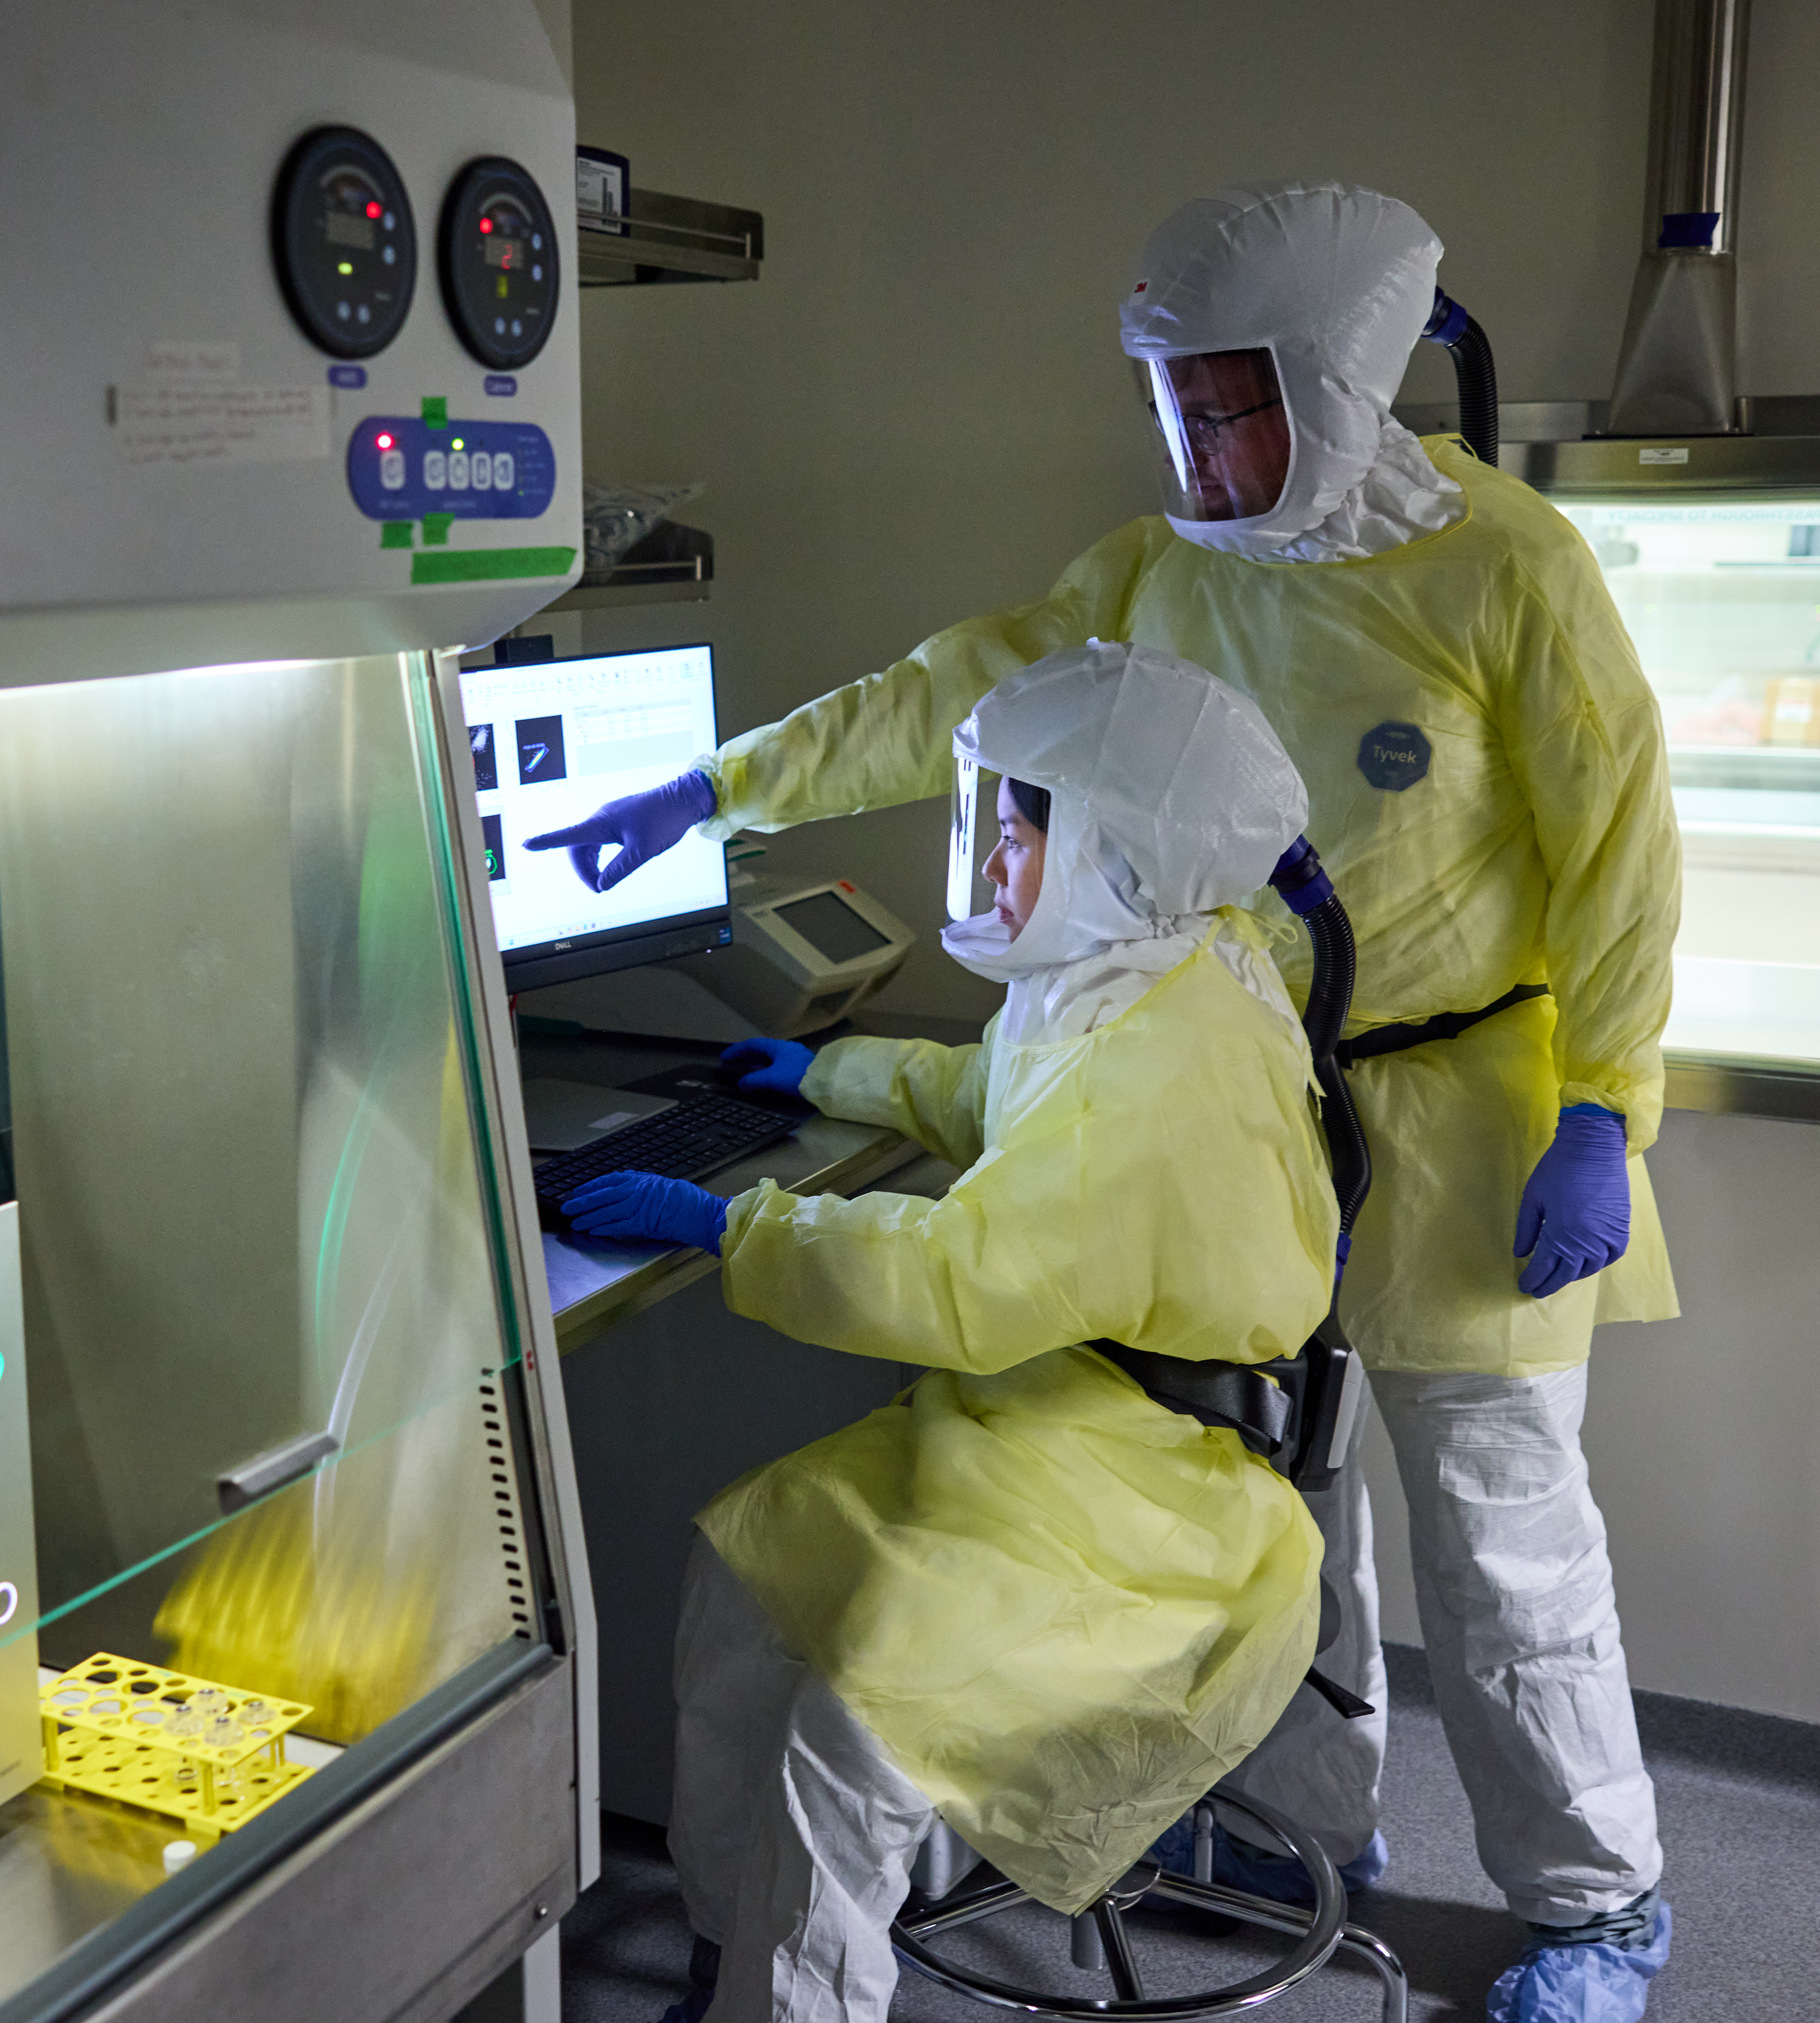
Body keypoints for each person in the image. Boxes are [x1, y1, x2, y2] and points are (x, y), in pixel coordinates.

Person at [529, 183, 1680, 2022]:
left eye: (1230, 406)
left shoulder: (1512, 568)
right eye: (1173, 403)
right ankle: (1305, 1826)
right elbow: (969, 694)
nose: (1194, 447)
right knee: (1295, 1491)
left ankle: (1596, 1904)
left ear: (1337, 386)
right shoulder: (1161, 570)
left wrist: (1606, 1107)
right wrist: (713, 791)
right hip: (1254, 1099)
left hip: (1480, 1120)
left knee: (1506, 1532)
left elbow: (1624, 856)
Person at [565, 643, 1338, 2023]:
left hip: (1142, 1502)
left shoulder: (1147, 1060)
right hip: (1049, 1444)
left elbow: (956, 1286)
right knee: (744, 1579)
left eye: (1016, 832)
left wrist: (721, 1224)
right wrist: (838, 1071)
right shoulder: (1152, 958)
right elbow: (1009, 1092)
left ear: (1115, 847)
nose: (984, 863)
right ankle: (727, 1946)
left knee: (851, 1738)